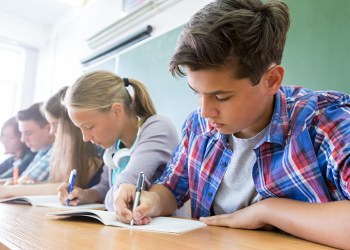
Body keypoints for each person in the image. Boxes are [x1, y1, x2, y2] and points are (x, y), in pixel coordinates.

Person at [114, 1, 350, 249]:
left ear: (271, 80)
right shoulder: (197, 125)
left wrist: (268, 210)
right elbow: (172, 190)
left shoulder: (325, 121)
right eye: (197, 93)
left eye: (221, 97)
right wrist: (150, 200)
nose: (205, 111)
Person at [58, 71, 178, 211]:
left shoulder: (157, 128)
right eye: (80, 129)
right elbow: (104, 188)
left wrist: (111, 195)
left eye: (89, 127)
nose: (85, 138)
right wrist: (84, 195)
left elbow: (119, 196)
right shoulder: (115, 145)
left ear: (116, 111)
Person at [0, 87, 104, 198]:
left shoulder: (94, 150)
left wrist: (8, 191)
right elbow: (56, 184)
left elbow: (66, 187)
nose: (52, 131)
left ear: (71, 124)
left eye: (55, 125)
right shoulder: (62, 149)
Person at [5, 103, 55, 184]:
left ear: (49, 128)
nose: (22, 139)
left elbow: (24, 182)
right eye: (21, 133)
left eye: (28, 133)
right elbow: (22, 179)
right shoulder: (43, 150)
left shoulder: (56, 150)